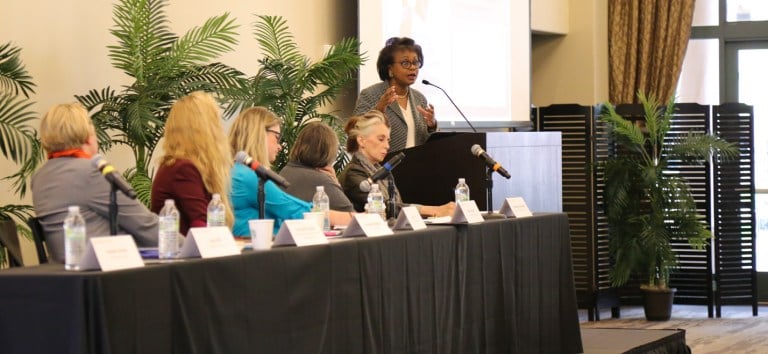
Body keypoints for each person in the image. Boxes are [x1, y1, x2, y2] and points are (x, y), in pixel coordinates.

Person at [31, 102, 158, 263]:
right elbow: (143, 224)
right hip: (108, 270)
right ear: (88, 137)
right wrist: (193, 252)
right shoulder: (91, 172)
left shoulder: (40, 176)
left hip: (64, 273)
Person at [228, 107, 353, 236]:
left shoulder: (237, 171)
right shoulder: (248, 176)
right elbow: (295, 210)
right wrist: (356, 218)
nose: (280, 146)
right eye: (277, 137)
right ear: (259, 134)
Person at [339, 110, 454, 217]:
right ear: (361, 140)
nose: (387, 146)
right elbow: (384, 208)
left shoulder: (383, 171)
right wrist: (433, 211)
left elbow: (396, 204)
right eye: (381, 139)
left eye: (388, 141)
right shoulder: (353, 173)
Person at [151, 91, 233, 236]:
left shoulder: (176, 165)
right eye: (215, 120)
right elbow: (201, 224)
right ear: (205, 128)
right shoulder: (183, 168)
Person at [353, 36, 437, 152]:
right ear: (390, 68)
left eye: (415, 62)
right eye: (405, 63)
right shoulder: (370, 95)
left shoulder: (420, 98)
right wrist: (379, 109)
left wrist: (431, 125)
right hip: (384, 167)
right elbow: (356, 132)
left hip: (416, 166)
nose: (412, 67)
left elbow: (424, 141)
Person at [279, 122, 355, 212]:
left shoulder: (286, 171)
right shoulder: (321, 180)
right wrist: (335, 184)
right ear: (329, 151)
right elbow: (350, 215)